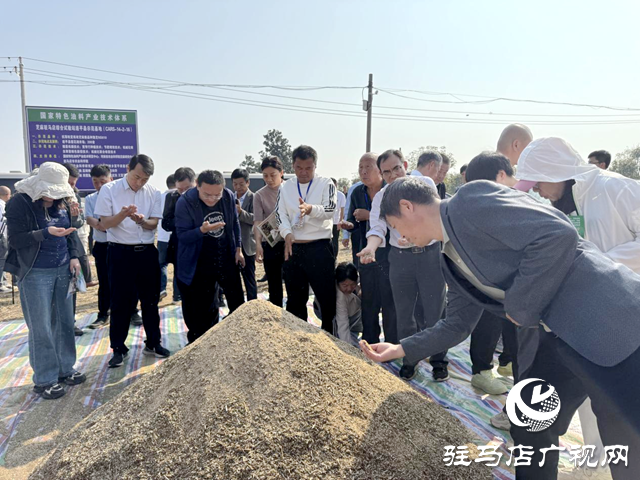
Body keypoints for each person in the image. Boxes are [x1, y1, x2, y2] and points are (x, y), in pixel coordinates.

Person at [361, 176, 640, 480]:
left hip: (606, 320)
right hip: (557, 337)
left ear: (407, 206)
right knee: (530, 420)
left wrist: (519, 308)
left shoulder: (470, 200)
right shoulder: (450, 258)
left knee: (624, 434)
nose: (398, 235)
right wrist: (402, 348)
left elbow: (557, 234)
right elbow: (456, 324)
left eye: (395, 225)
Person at [515, 136, 640, 466]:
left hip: (621, 330)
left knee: (622, 434)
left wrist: (602, 264)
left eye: (538, 182)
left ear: (556, 171)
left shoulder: (617, 189)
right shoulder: (559, 206)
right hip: (571, 329)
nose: (537, 191)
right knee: (530, 414)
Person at [358, 150, 447, 382]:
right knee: (403, 313)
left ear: (405, 165)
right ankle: (410, 360)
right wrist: (370, 248)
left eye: (396, 168)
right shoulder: (381, 197)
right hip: (400, 259)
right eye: (386, 172)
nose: (393, 175)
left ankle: (439, 360)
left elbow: (431, 218)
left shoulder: (424, 183)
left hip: (430, 254)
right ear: (381, 173)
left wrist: (419, 236)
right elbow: (378, 229)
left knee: (434, 310)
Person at [4, 162, 87, 399]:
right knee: (41, 326)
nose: (52, 198)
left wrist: (73, 257)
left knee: (64, 321)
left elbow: (72, 230)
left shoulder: (65, 201)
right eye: (49, 193)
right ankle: (45, 379)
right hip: (35, 272)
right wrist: (45, 233)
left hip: (62, 267)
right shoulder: (19, 202)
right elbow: (17, 240)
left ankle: (65, 368)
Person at [94, 154, 170, 368]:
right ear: (128, 168)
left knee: (151, 300)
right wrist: (124, 214)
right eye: (136, 177)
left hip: (146, 252)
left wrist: (141, 220)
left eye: (144, 179)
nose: (139, 182)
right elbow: (105, 223)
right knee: (120, 302)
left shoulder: (154, 192)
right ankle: (118, 347)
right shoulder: (110, 190)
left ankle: (154, 342)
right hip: (120, 253)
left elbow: (153, 223)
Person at [463, 153, 521, 397]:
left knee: (512, 326)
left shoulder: (512, 199)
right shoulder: (480, 206)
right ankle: (482, 370)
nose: (515, 181)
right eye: (511, 176)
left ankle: (507, 365)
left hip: (514, 281)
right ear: (500, 175)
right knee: (488, 320)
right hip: (489, 280)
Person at [175, 170, 245, 343]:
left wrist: (238, 248)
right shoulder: (185, 202)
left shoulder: (228, 196)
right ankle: (204, 345)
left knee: (237, 301)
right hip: (199, 260)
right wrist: (202, 230)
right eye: (207, 194)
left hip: (225, 255)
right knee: (205, 308)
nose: (212, 199)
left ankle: (238, 341)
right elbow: (182, 236)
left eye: (217, 194)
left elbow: (235, 224)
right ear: (197, 184)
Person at [276, 145, 337, 333]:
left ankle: (329, 336)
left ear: (315, 166)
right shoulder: (285, 187)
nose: (303, 172)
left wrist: (310, 209)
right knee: (295, 298)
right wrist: (286, 234)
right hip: (293, 247)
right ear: (293, 166)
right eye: (299, 167)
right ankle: (298, 338)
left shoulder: (326, 183)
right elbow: (280, 215)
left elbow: (330, 209)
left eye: (308, 168)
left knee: (325, 295)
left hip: (319, 247)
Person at [342, 153, 397, 345]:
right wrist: (349, 225)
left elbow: (397, 224)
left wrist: (368, 215)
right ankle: (370, 340)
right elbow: (352, 219)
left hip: (389, 254)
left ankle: (392, 343)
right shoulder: (357, 192)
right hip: (364, 253)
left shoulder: (391, 190)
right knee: (369, 300)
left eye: (368, 167)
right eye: (360, 168)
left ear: (380, 171)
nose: (363, 172)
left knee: (390, 301)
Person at [62, 163, 92, 336]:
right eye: (69, 183)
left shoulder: (75, 195)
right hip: (51, 249)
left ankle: (70, 322)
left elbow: (79, 222)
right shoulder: (44, 196)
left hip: (72, 245)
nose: (72, 187)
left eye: (74, 183)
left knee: (71, 286)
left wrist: (74, 217)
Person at [254, 156, 286, 307]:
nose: (269, 179)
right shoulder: (259, 195)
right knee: (274, 282)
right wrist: (258, 244)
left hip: (292, 241)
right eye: (265, 175)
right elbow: (258, 221)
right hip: (271, 243)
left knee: (294, 281)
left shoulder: (291, 189)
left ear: (281, 173)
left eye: (273, 175)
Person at [162, 167, 197, 304]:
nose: (183, 192)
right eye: (180, 189)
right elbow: (166, 223)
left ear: (195, 183)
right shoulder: (171, 197)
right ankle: (179, 297)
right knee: (180, 274)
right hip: (179, 243)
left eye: (187, 188)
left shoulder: (203, 196)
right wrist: (183, 220)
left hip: (199, 242)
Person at [84, 164, 114, 329]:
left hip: (119, 244)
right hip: (102, 245)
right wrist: (107, 224)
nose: (99, 185)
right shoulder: (90, 199)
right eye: (95, 182)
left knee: (126, 280)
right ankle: (103, 314)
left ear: (111, 179)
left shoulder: (119, 197)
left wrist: (104, 223)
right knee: (104, 281)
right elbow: (91, 220)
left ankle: (132, 311)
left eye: (103, 181)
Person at [232, 168, 257, 301]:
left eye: (241, 184)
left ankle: (252, 304)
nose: (238, 187)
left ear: (248, 183)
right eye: (235, 184)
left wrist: (241, 212)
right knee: (234, 279)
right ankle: (238, 307)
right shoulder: (230, 197)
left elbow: (256, 219)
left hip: (247, 244)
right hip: (233, 244)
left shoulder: (254, 197)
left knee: (249, 279)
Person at [333, 262, 362, 346]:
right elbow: (342, 324)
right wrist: (348, 347)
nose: (349, 288)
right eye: (344, 285)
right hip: (340, 315)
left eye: (353, 284)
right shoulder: (340, 297)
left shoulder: (358, 280)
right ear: (338, 282)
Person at [157, 174, 176, 301]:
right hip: (176, 237)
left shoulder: (159, 197)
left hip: (163, 237)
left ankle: (162, 288)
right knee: (178, 266)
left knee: (162, 264)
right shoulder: (180, 196)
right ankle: (177, 295)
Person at [341, 180, 363, 266]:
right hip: (358, 231)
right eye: (361, 167)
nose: (364, 171)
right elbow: (348, 211)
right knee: (359, 262)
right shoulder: (355, 188)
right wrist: (346, 235)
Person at [330, 178, 346, 262]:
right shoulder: (324, 194)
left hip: (336, 222)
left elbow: (342, 210)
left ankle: (334, 257)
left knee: (335, 241)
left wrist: (341, 221)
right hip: (326, 223)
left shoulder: (340, 195)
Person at [0, 186, 11, 293]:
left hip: (2, 235)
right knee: (1, 260)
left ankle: (3, 281)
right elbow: (3, 222)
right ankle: (0, 284)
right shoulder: (2, 205)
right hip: (1, 235)